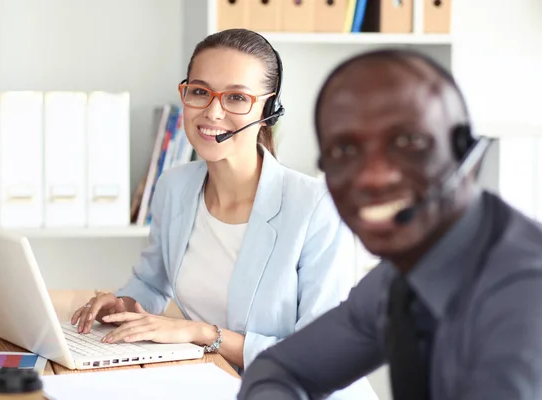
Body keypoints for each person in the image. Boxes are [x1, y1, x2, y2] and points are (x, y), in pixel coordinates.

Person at [70, 28, 377, 399]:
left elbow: (320, 355)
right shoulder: (174, 188)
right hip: (217, 384)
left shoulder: (317, 207)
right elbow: (151, 284)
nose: (213, 111)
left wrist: (201, 333)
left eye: (236, 97)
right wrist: (123, 305)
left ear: (268, 109)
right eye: (200, 92)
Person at [237, 48, 542, 400]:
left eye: (408, 142)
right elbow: (281, 369)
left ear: (466, 155)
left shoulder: (525, 295)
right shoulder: (403, 275)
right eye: (344, 151)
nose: (372, 178)